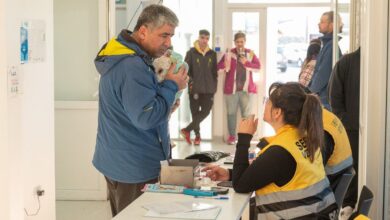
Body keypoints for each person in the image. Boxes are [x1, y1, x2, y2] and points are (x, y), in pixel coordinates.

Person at [92, 4, 188, 217]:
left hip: (123, 161)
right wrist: (172, 85)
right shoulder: (132, 66)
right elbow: (146, 118)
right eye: (164, 35)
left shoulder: (127, 58)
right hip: (133, 167)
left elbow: (136, 110)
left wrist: (167, 107)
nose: (168, 43)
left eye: (171, 36)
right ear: (143, 31)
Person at [204, 82, 338, 219]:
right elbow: (267, 173)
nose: (264, 104)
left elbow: (240, 185)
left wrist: (244, 138)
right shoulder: (303, 138)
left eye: (267, 101)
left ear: (277, 112)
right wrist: (229, 174)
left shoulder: (280, 151)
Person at [328, 47, 361, 219]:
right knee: (353, 169)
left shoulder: (380, 63)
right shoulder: (347, 62)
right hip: (351, 130)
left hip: (372, 131)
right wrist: (348, 122)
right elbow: (334, 97)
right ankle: (348, 207)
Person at [217, 31, 261, 145]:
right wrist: (225, 64)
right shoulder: (229, 53)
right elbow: (219, 68)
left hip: (246, 90)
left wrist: (246, 63)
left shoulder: (250, 53)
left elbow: (258, 67)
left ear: (245, 42)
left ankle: (244, 138)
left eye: (242, 41)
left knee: (246, 115)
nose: (240, 44)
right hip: (231, 90)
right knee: (231, 113)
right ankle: (232, 136)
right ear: (234, 42)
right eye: (237, 42)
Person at [180, 29, 217, 145]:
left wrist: (214, 86)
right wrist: (191, 83)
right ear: (198, 38)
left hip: (209, 90)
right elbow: (186, 70)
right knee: (195, 113)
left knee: (206, 112)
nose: (204, 40)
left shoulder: (212, 54)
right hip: (194, 89)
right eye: (202, 37)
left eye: (207, 38)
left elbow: (214, 72)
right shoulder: (191, 53)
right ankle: (197, 137)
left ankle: (186, 130)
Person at [309, 11, 343, 110]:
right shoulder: (328, 45)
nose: (319, 24)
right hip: (323, 99)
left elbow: (322, 74)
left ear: (332, 25)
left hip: (325, 101)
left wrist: (309, 92)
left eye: (322, 22)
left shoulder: (331, 46)